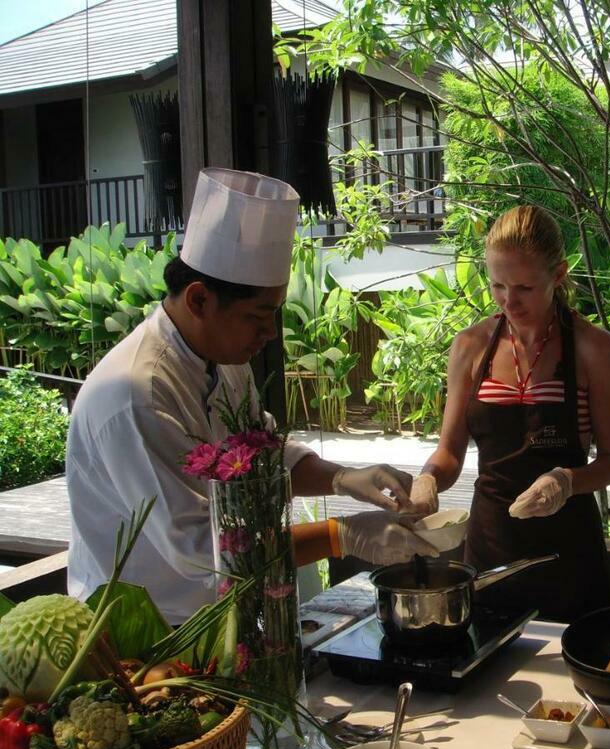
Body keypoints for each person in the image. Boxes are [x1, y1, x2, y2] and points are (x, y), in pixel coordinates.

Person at [67, 168, 436, 624]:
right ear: (199, 300)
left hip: (223, 613)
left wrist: (344, 478)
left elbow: (263, 455)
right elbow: (201, 551)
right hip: (148, 629)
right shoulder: (136, 394)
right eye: (258, 317)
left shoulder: (223, 359)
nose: (270, 333)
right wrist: (339, 536)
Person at [407, 206, 610, 622]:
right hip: (491, 545)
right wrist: (427, 479)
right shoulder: (471, 346)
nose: (509, 300)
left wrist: (565, 481)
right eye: (498, 285)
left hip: (569, 552)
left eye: (524, 287)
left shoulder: (592, 347)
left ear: (558, 274)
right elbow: (449, 452)